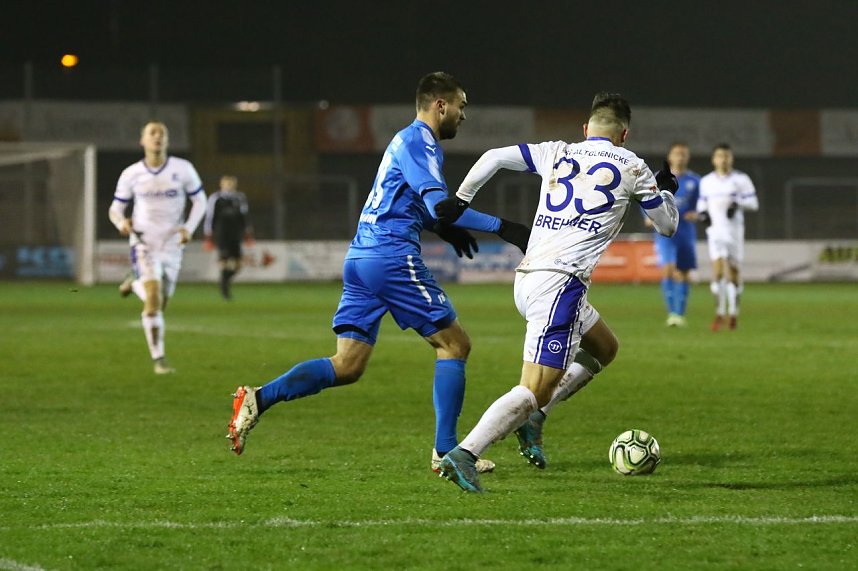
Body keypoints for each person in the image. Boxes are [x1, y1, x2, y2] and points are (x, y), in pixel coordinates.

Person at [226, 72, 531, 474]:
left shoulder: (404, 142)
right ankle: (445, 452)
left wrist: (446, 229)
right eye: (461, 106)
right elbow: (439, 204)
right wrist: (506, 229)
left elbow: (420, 206)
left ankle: (257, 398)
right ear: (440, 105)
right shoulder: (420, 141)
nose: (463, 115)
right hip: (390, 256)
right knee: (455, 345)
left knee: (348, 364)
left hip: (361, 258)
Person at [433, 92, 679, 492]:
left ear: (586, 129)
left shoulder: (557, 151)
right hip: (560, 286)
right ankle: (464, 454)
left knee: (604, 348)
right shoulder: (633, 165)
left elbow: (494, 156)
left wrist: (460, 200)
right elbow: (667, 226)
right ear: (624, 135)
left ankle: (534, 418)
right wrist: (666, 192)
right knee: (533, 389)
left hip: (529, 276)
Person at [109, 121, 207, 374]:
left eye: (161, 133)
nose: (157, 137)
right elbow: (115, 209)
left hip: (173, 244)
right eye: (152, 133)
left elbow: (200, 200)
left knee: (160, 304)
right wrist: (121, 222)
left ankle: (134, 284)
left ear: (167, 140)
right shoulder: (132, 174)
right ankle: (159, 360)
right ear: (142, 140)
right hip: (144, 241)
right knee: (153, 300)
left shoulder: (183, 169)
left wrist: (188, 228)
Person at [697, 143, 758, 331]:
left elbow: (753, 203)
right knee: (717, 271)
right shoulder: (706, 181)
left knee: (733, 272)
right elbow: (702, 204)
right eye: (720, 156)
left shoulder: (741, 179)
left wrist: (737, 203)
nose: (723, 159)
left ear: (731, 158)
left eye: (726, 156)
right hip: (715, 231)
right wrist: (703, 215)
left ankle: (734, 312)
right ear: (714, 159)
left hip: (734, 231)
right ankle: (719, 313)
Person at [644, 143, 700, 327]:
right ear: (670, 156)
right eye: (677, 154)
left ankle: (679, 314)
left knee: (683, 272)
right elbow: (645, 197)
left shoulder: (695, 181)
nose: (680, 157)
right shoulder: (659, 178)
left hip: (686, 232)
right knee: (668, 269)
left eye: (684, 154)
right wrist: (648, 216)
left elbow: (702, 205)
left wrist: (697, 214)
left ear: (688, 157)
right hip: (665, 233)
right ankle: (671, 313)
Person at [203, 175, 254, 300]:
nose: (229, 186)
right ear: (221, 185)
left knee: (238, 265)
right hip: (222, 234)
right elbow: (210, 217)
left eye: (231, 184)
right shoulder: (215, 198)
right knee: (224, 261)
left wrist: (248, 233)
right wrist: (208, 236)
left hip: (235, 234)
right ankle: (225, 289)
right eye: (226, 184)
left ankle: (223, 281)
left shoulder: (239, 197)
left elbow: (244, 216)